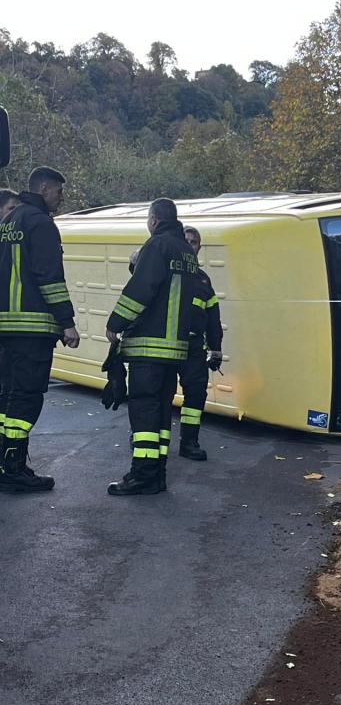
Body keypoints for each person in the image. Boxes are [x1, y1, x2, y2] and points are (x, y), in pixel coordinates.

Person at [105, 198, 199, 495]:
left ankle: (142, 475)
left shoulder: (156, 246)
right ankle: (157, 474)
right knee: (160, 413)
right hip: (174, 351)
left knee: (144, 411)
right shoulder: (187, 252)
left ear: (154, 220)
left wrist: (115, 323)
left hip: (149, 347)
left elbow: (140, 290)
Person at [0, 167, 80, 492]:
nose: (61, 198)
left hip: (6, 329)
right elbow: (49, 278)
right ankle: (14, 469)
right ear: (45, 188)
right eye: (59, 192)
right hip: (32, 329)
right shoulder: (41, 224)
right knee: (26, 399)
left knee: (8, 397)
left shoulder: (8, 222)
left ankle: (6, 462)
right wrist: (67, 322)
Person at [178, 225, 223, 460]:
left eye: (193, 242)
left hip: (194, 347)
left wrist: (216, 349)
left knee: (195, 396)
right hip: (167, 345)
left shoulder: (203, 280)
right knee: (157, 395)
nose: (189, 245)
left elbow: (213, 317)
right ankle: (145, 437)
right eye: (185, 240)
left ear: (199, 247)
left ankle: (189, 442)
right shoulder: (167, 271)